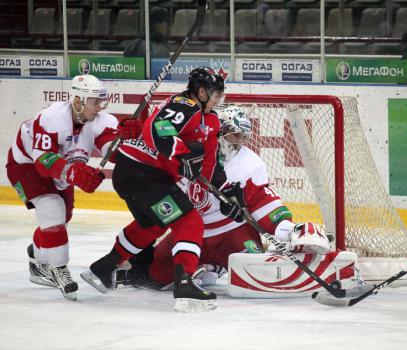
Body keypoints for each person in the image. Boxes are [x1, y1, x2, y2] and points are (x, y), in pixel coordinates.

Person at [111, 105, 332, 290]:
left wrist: (285, 228)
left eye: (243, 136)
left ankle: (218, 265)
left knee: (253, 268)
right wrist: (132, 135)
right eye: (236, 134)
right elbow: (146, 161)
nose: (240, 142)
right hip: (191, 233)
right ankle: (208, 267)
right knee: (157, 273)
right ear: (220, 132)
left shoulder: (248, 163)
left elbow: (262, 200)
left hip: (232, 233)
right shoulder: (186, 154)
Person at [80, 67, 242, 312]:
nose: (219, 100)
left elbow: (206, 165)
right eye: (216, 94)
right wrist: (183, 153)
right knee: (190, 222)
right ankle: (185, 285)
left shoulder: (208, 118)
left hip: (137, 175)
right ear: (201, 91)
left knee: (154, 224)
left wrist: (225, 190)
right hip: (143, 173)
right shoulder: (185, 104)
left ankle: (104, 268)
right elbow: (157, 128)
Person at [4, 74, 142, 301]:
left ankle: (37, 261)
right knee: (52, 209)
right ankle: (59, 270)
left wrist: (126, 139)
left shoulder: (100, 120)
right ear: (78, 101)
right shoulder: (51, 118)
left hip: (62, 169)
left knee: (60, 221)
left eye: (101, 102)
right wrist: (73, 172)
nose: (100, 107)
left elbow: (112, 149)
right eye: (95, 102)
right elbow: (43, 160)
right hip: (25, 165)